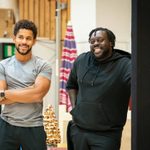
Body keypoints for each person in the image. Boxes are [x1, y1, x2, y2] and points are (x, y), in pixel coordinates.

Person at [66, 27, 131, 150]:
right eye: (92, 41)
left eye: (100, 40)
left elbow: (138, 86)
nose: (95, 43)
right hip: (79, 131)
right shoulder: (81, 60)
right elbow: (71, 85)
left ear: (111, 43)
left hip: (107, 135)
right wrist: (75, 109)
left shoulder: (125, 64)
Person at [0, 19, 52, 150]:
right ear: (14, 39)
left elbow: (37, 95)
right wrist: (30, 90)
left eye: (28, 38)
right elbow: (0, 100)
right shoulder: (3, 65)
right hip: (7, 126)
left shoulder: (43, 65)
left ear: (34, 41)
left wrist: (5, 93)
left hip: (34, 127)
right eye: (21, 37)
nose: (24, 42)